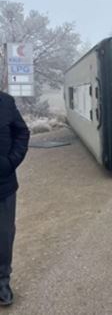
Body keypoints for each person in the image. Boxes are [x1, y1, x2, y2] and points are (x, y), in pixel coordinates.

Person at [0, 91, 30, 307]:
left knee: (3, 236)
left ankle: (2, 281)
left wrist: (10, 162)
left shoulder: (6, 102)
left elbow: (22, 133)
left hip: (4, 186)